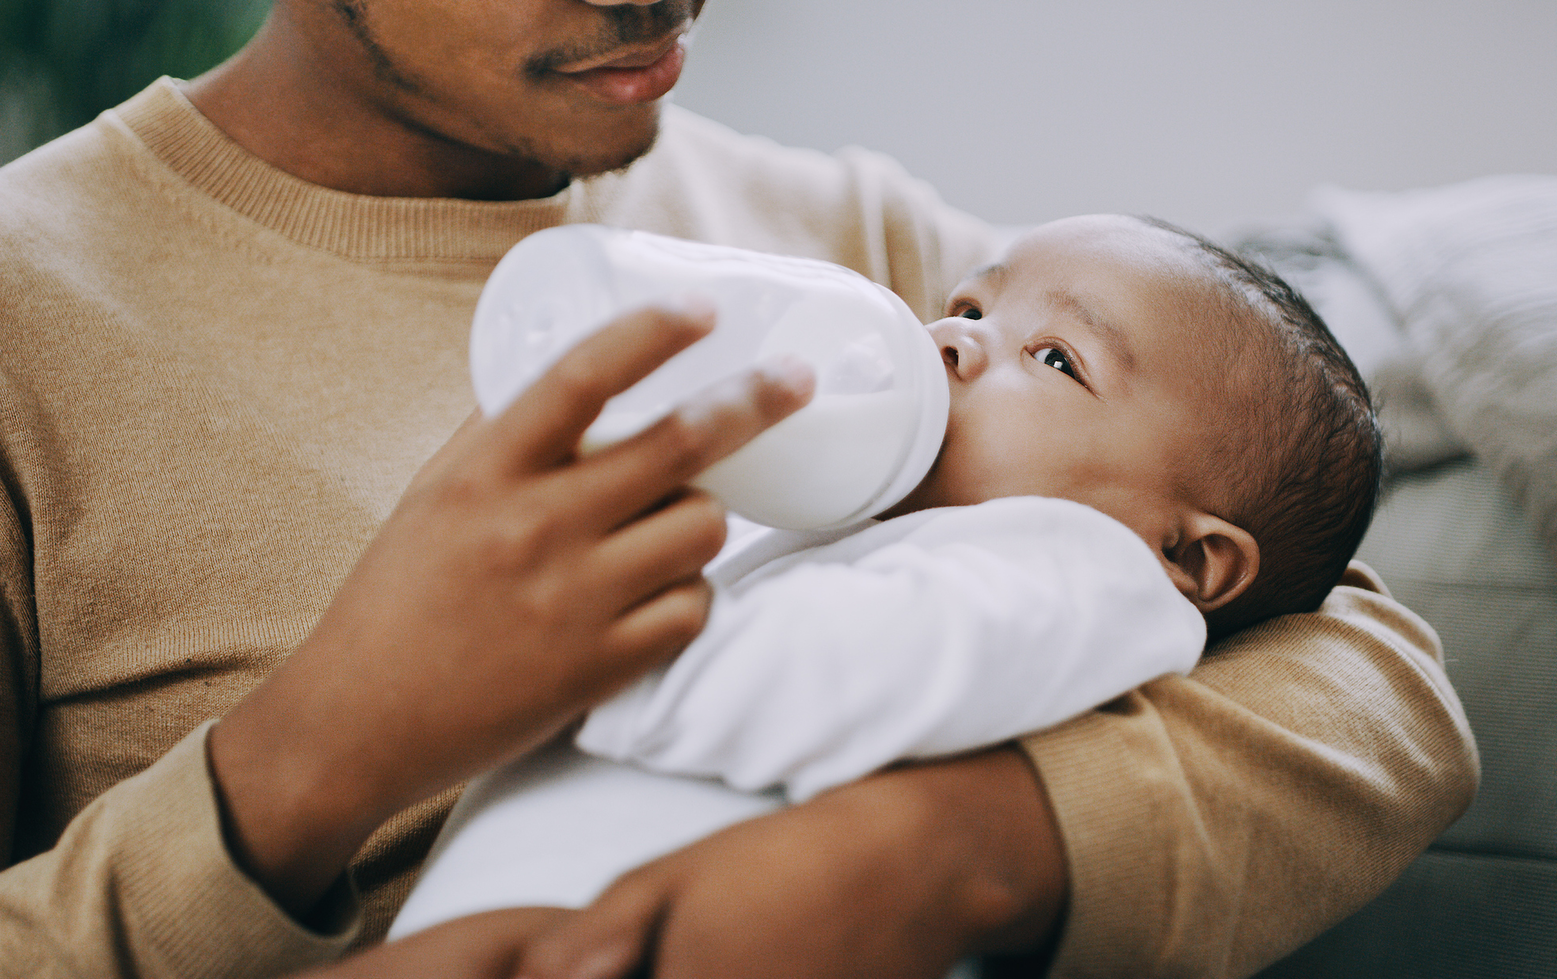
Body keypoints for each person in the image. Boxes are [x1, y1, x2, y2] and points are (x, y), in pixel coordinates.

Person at [0, 2, 1478, 977]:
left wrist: (954, 848)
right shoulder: (30, 317)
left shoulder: (844, 231)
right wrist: (314, 756)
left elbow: (1359, 657)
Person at [387, 212, 1386, 939]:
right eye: (970, 304)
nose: (952, 340)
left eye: (1051, 358)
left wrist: (554, 649)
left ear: (1188, 556)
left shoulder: (1083, 570)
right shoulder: (853, 512)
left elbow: (818, 672)